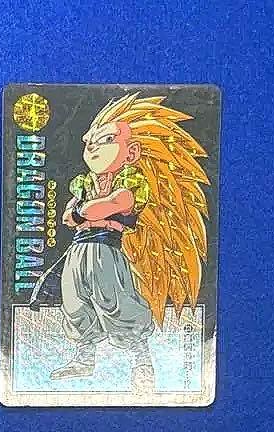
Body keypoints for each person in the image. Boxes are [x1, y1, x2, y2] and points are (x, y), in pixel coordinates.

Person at [52, 94, 209, 392]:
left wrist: (85, 211)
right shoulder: (84, 183)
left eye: (106, 139)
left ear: (131, 152)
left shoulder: (131, 180)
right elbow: (68, 217)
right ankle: (84, 358)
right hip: (78, 249)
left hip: (106, 250)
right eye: (89, 141)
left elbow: (115, 204)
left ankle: (142, 361)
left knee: (116, 303)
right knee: (74, 302)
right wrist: (85, 211)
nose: (94, 146)